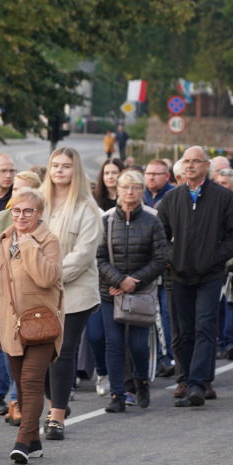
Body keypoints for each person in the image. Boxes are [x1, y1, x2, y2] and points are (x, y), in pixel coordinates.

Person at [156, 146, 233, 407]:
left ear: (207, 166)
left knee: (205, 327)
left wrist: (216, 257)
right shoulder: (172, 199)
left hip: (210, 275)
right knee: (184, 332)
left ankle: (197, 384)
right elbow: (159, 237)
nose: (190, 165)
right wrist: (172, 257)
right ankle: (186, 381)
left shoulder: (222, 196)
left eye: (196, 161)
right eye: (187, 161)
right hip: (179, 275)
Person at [0, 188, 62, 463]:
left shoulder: (49, 240)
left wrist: (28, 244)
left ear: (39, 214)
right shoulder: (4, 240)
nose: (21, 215)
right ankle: (35, 441)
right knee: (21, 383)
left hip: (41, 324)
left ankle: (22, 441)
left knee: (30, 382)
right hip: (11, 327)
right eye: (16, 210)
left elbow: (46, 277)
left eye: (28, 211)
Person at [36, 148, 103, 440]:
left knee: (62, 351)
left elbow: (84, 254)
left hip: (74, 291)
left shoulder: (87, 208)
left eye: (66, 166)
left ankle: (56, 418)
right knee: (40, 353)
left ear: (75, 171)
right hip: (38, 290)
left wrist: (51, 275)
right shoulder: (36, 203)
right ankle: (56, 404)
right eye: (55, 165)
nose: (59, 170)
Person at [96, 169, 167, 411]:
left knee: (138, 345)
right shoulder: (106, 221)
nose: (130, 192)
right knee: (114, 344)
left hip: (140, 292)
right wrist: (117, 281)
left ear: (142, 191)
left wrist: (132, 281)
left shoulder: (153, 221)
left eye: (135, 187)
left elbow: (160, 260)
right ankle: (117, 395)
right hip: (111, 293)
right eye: (125, 187)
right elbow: (99, 257)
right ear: (117, 190)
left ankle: (141, 381)